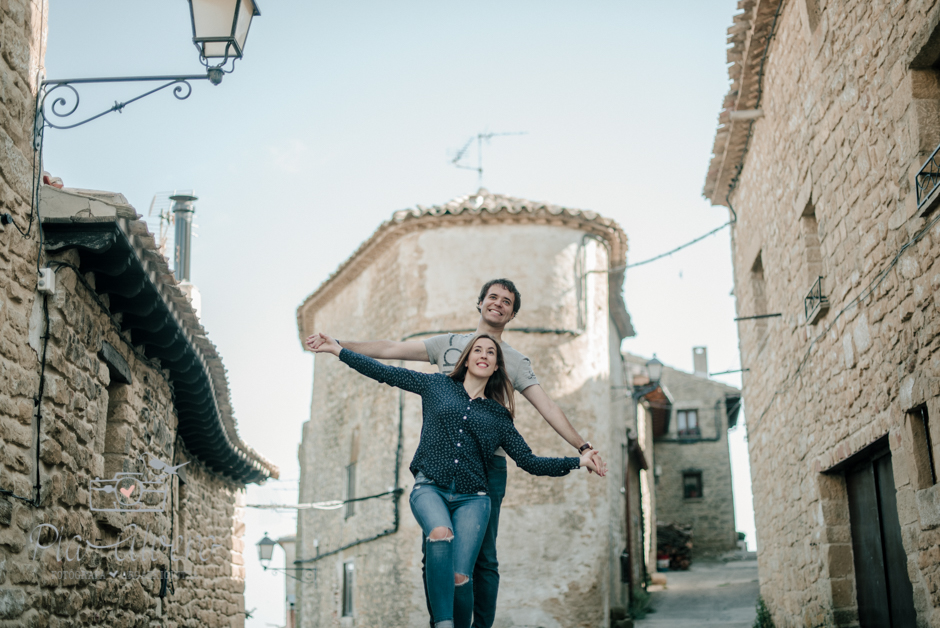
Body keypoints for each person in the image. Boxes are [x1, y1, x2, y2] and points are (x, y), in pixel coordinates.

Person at [306, 278, 606, 628]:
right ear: (479, 303)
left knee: (485, 558)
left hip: (487, 467)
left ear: (512, 314)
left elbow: (548, 409)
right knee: (436, 544)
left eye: (506, 301)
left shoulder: (514, 362)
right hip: (440, 460)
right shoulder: (446, 347)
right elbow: (389, 352)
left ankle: (479, 624)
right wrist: (339, 345)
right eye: (492, 297)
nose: (498, 303)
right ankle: (442, 621)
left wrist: (581, 448)